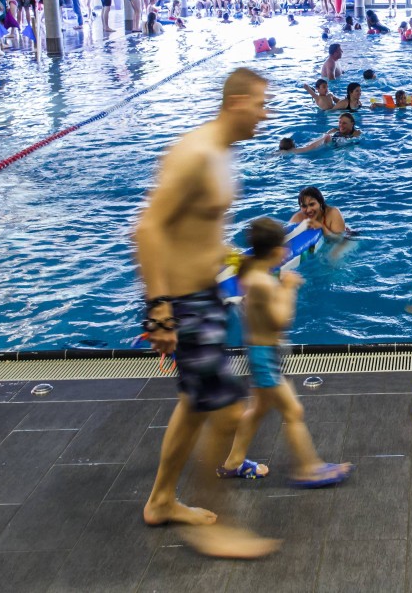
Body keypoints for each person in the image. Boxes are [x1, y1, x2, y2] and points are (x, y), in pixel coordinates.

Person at [134, 67, 279, 558]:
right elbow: (148, 228)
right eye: (261, 104)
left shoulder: (220, 155)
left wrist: (231, 259)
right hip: (185, 304)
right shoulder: (194, 154)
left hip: (206, 297)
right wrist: (158, 309)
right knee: (228, 409)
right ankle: (212, 529)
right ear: (237, 102)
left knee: (197, 404)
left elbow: (198, 228)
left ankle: (162, 501)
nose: (266, 113)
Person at [216, 217, 353, 488]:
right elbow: (280, 320)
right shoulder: (264, 283)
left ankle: (233, 462)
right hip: (265, 357)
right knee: (293, 411)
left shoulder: (250, 271)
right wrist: (288, 289)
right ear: (278, 251)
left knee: (257, 410)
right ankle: (308, 468)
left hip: (260, 353)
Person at [283, 112, 362, 154]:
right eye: (340, 122)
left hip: (338, 145)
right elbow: (323, 136)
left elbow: (354, 141)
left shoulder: (356, 133)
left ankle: (293, 151)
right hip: (331, 143)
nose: (341, 125)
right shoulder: (334, 130)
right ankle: (295, 150)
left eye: (344, 123)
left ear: (352, 124)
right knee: (322, 140)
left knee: (325, 140)